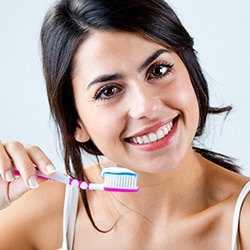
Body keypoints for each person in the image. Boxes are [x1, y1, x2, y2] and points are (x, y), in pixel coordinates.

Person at [0, 0, 249, 249]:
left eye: (159, 70)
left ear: (191, 70)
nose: (145, 107)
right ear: (76, 122)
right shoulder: (44, 211)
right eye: (108, 91)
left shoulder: (243, 221)